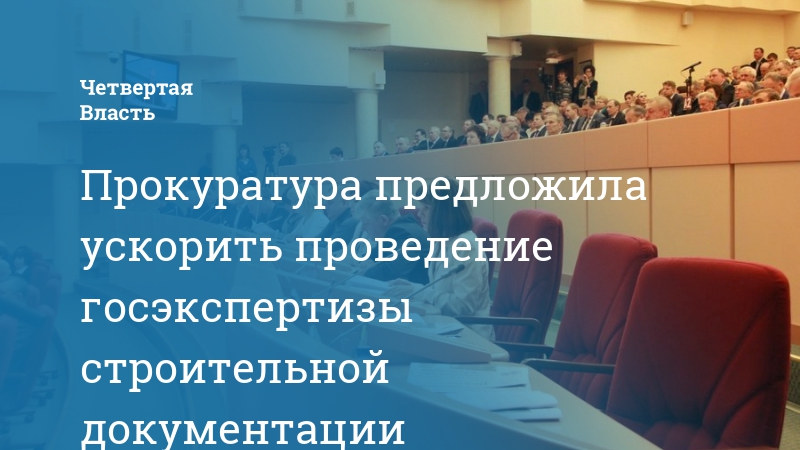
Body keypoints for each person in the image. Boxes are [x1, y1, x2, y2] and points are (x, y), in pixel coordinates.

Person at [385, 182, 493, 339]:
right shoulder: (440, 241)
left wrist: (419, 292)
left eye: (426, 208)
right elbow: (438, 292)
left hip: (469, 336)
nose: (419, 213)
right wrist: (414, 289)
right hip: (445, 327)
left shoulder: (466, 246)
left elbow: (462, 307)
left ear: (444, 212)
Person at [356, 191, 429, 284]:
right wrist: (365, 263)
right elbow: (370, 256)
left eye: (366, 223)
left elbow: (388, 274)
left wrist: (366, 269)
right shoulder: (396, 231)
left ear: (383, 220)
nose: (362, 228)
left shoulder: (405, 235)